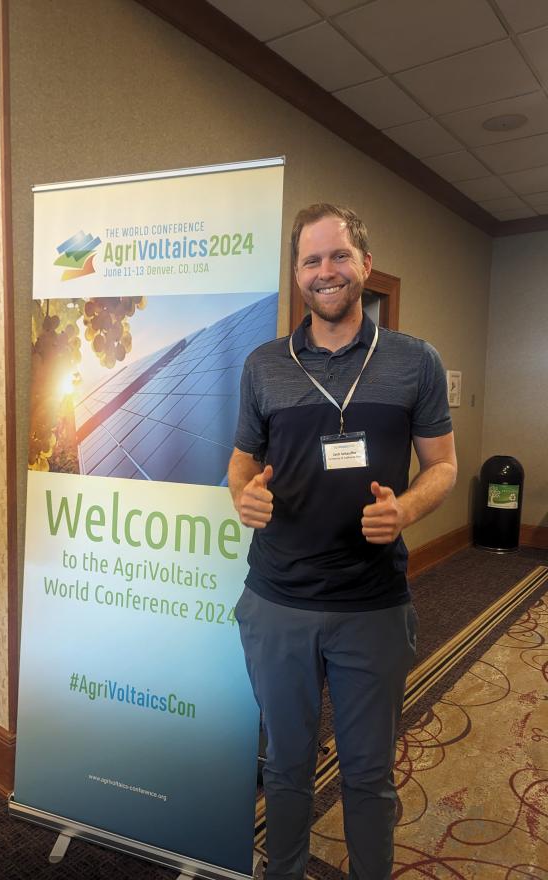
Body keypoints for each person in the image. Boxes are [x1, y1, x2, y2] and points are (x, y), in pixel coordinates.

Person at [228, 203, 457, 880]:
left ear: (363, 263)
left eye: (337, 256)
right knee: (287, 767)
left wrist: (407, 510)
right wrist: (243, 492)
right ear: (297, 272)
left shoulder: (416, 362)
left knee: (367, 774)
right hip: (279, 604)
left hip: (373, 606)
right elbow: (240, 460)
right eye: (310, 260)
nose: (324, 272)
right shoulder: (264, 365)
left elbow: (443, 464)